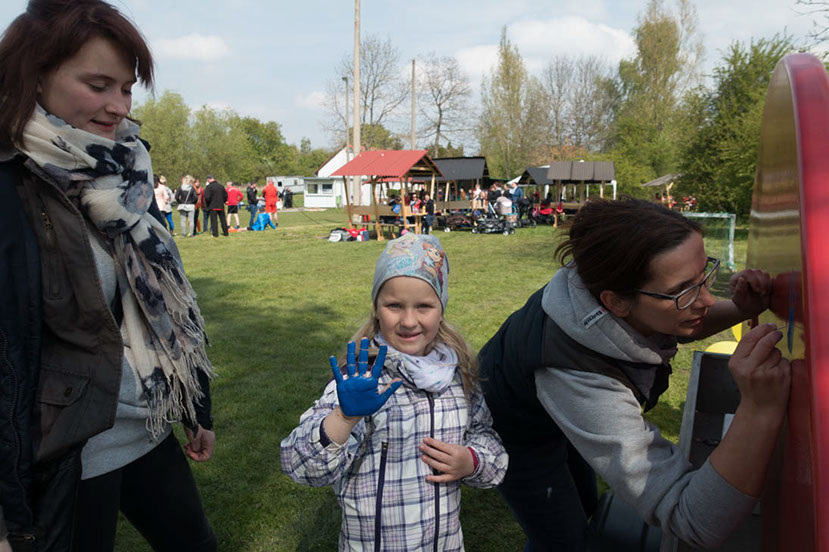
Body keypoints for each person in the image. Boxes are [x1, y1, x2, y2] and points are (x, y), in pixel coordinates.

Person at [0, 1, 218, 550]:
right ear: (35, 75)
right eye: (98, 85)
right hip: (65, 450)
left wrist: (195, 405)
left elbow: (168, 304)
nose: (118, 107)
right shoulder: (10, 183)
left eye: (126, 88)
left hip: (147, 426)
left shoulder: (126, 169)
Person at [478, 197, 788, 551]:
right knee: (562, 539)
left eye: (703, 276)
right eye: (682, 291)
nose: (706, 300)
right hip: (514, 426)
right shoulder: (577, 377)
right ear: (615, 303)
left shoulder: (609, 280)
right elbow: (695, 520)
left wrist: (741, 309)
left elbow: (675, 321)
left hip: (549, 400)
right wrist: (760, 410)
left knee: (586, 502)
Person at [281, 233, 508, 550]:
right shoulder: (360, 380)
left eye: (424, 306)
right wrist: (343, 418)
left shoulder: (458, 377)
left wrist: (471, 461)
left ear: (441, 309)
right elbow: (300, 466)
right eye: (394, 305)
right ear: (376, 308)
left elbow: (489, 444)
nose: (409, 321)